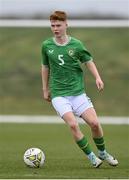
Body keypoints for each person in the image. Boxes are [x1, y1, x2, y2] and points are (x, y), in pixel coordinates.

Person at [41, 10, 118, 168]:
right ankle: (91, 157)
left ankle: (103, 152)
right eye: (52, 25)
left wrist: (97, 77)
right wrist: (45, 89)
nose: (55, 28)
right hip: (59, 94)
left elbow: (88, 61)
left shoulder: (76, 44)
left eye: (58, 25)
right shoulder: (46, 45)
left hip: (77, 93)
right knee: (73, 125)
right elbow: (45, 67)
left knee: (95, 124)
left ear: (66, 25)